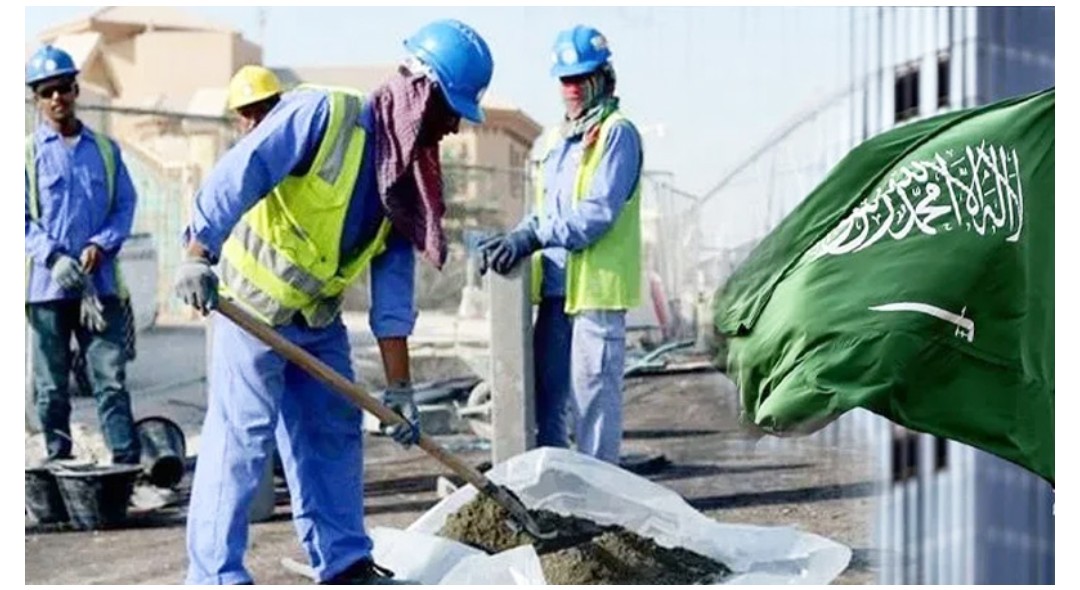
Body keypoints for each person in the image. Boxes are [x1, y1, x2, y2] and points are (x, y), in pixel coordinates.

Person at [173, 20, 494, 585]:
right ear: (420, 93)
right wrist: (198, 251)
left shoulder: (404, 179)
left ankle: (344, 565)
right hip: (252, 310)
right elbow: (240, 173)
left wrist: (400, 391)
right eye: (449, 110)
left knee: (332, 435)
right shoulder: (323, 117)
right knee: (242, 443)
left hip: (316, 321)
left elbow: (393, 298)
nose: (451, 128)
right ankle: (216, 576)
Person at [479, 25, 643, 465]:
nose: (571, 88)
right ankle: (554, 496)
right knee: (547, 404)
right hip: (554, 291)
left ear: (603, 77)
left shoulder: (616, 134)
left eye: (580, 78)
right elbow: (541, 210)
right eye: (564, 79)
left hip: (595, 298)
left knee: (593, 409)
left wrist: (532, 236)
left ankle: (599, 502)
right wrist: (511, 239)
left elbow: (596, 213)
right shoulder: (554, 141)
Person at [24, 44, 142, 466]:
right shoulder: (25, 156)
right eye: (46, 91)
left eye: (64, 88)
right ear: (36, 100)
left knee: (109, 379)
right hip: (46, 291)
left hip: (101, 287)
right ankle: (58, 460)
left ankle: (125, 462)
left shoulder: (106, 151)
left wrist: (101, 243)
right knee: (51, 386)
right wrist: (53, 257)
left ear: (76, 91)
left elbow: (125, 204)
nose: (57, 98)